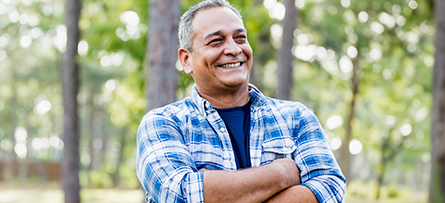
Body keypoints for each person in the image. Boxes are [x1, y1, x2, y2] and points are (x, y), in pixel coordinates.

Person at [136, 0, 346, 202]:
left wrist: (212, 189)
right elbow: (180, 194)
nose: (234, 49)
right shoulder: (163, 123)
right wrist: (282, 173)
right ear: (186, 60)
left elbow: (329, 190)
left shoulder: (296, 118)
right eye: (216, 41)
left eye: (240, 38)